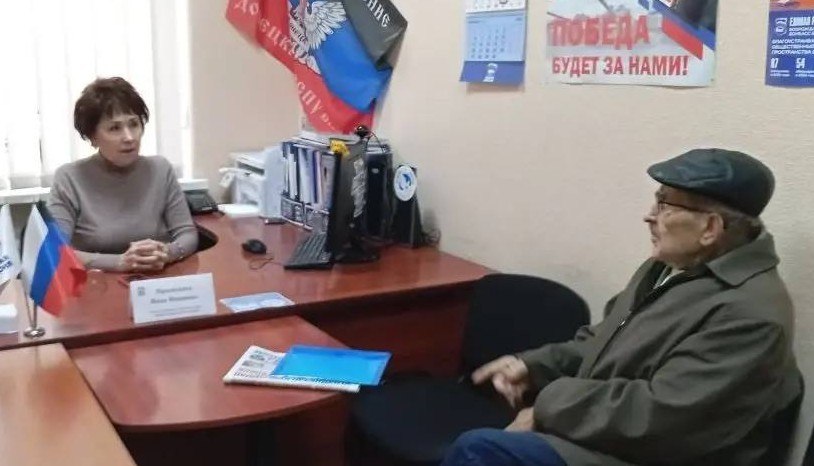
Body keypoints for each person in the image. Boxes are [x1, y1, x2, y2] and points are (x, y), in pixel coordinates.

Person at [442, 148, 802, 466]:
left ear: (710, 227)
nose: (649, 216)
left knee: (483, 451)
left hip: (652, 454)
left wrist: (547, 408)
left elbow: (662, 416)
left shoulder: (750, 313)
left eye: (665, 205)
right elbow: (602, 339)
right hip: (611, 435)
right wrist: (532, 366)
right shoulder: (668, 267)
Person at [47, 77, 198, 272]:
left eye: (134, 124)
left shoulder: (160, 169)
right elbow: (56, 251)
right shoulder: (69, 178)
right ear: (93, 137)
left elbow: (187, 233)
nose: (129, 137)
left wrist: (167, 253)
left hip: (156, 281)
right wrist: (119, 262)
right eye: (114, 128)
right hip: (98, 283)